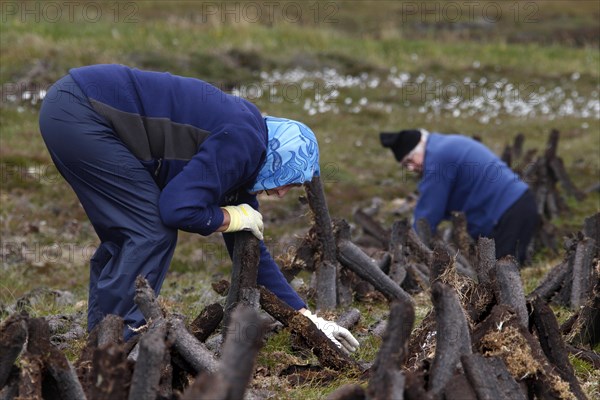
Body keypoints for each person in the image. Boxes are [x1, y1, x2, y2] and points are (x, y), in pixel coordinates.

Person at [39, 64, 359, 353]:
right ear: (280, 156)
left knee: (131, 233)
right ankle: (118, 348)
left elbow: (252, 254)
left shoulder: (243, 155)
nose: (282, 191)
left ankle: (104, 340)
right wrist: (228, 217)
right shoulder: (244, 142)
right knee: (150, 232)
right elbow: (176, 210)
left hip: (72, 106)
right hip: (84, 111)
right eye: (289, 179)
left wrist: (306, 318)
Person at [380, 129, 539, 264]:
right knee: (509, 272)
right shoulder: (443, 145)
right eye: (405, 165)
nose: (411, 168)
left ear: (420, 146)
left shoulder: (437, 157)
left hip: (509, 212)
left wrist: (411, 249)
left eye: (410, 160)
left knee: (504, 276)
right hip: (516, 206)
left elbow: (428, 214)